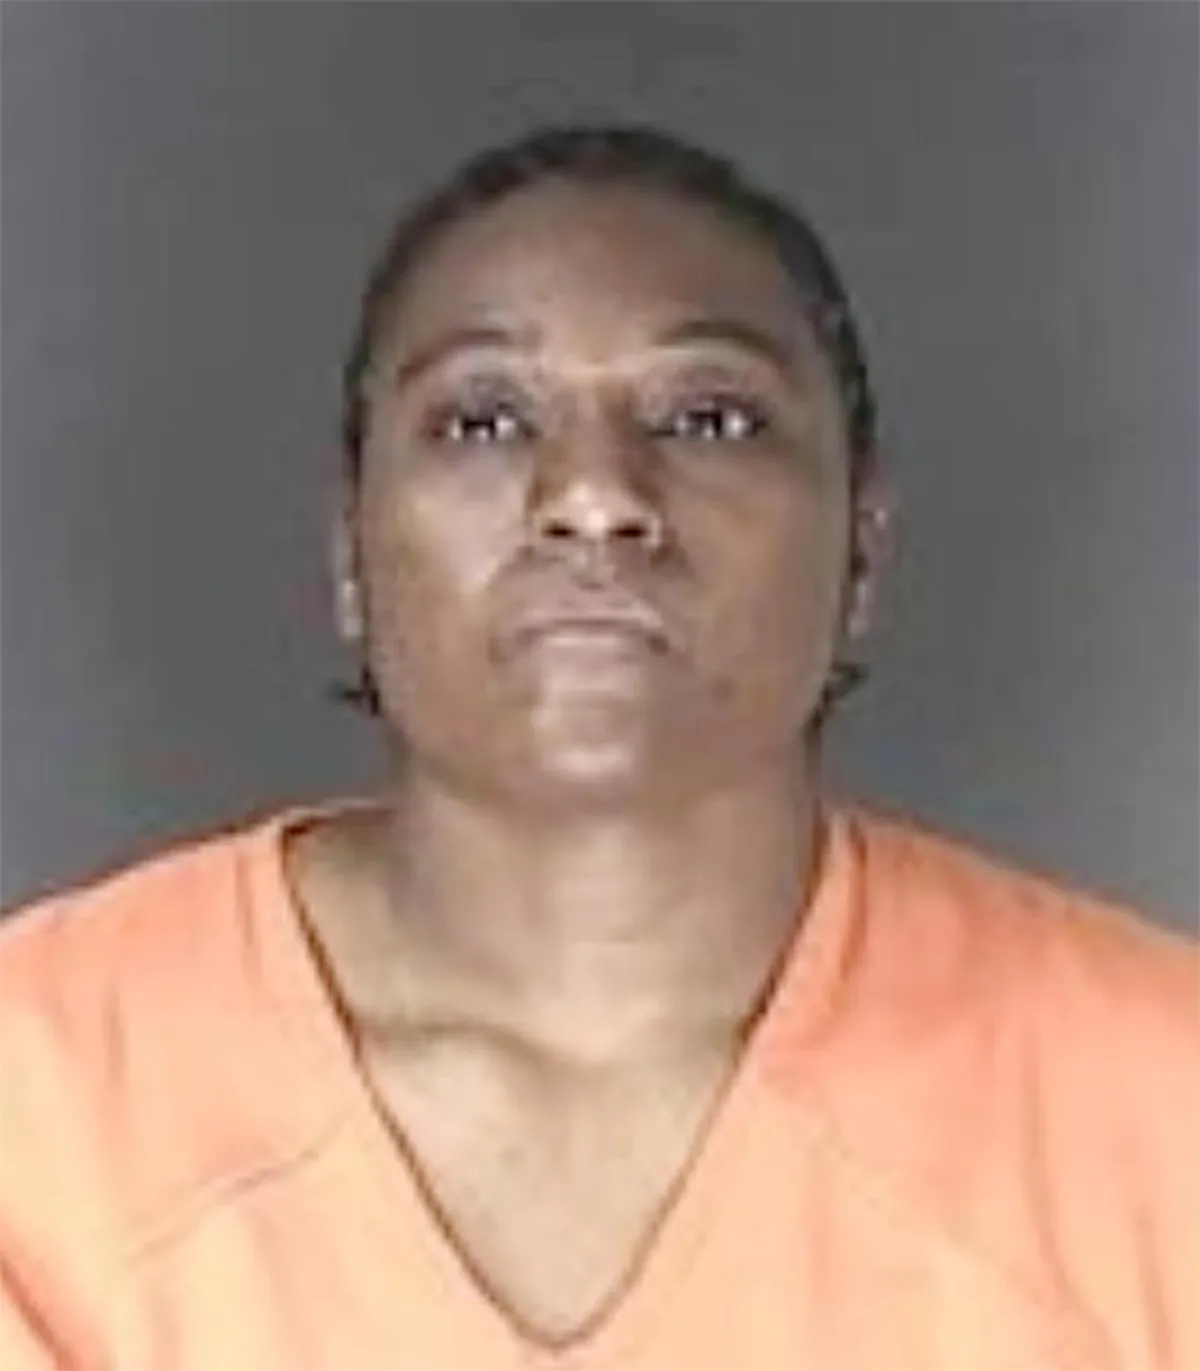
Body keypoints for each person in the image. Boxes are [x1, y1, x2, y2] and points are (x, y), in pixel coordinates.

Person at [0, 124, 1195, 1371]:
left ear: (863, 548)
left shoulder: (1160, 1109)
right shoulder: (39, 1102)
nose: (594, 497)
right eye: (482, 421)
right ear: (350, 551)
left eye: (711, 418)